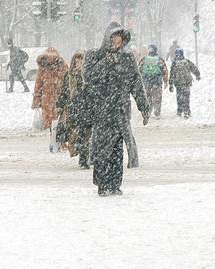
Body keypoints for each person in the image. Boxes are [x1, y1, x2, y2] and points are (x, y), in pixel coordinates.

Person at [83, 22, 150, 196]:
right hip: (102, 112)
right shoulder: (94, 56)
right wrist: (106, 61)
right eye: (113, 37)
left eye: (119, 38)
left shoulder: (127, 59)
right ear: (107, 38)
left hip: (120, 112)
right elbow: (89, 78)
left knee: (117, 152)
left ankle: (115, 184)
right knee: (102, 150)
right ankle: (102, 184)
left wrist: (143, 106)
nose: (117, 41)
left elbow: (136, 83)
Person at [56, 51, 92, 169]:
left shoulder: (89, 74)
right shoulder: (69, 75)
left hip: (87, 109)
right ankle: (78, 152)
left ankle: (84, 160)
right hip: (73, 110)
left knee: (85, 135)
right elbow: (64, 92)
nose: (79, 63)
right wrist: (60, 106)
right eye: (77, 60)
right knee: (74, 135)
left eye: (81, 60)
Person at [31, 48, 68, 151]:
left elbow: (68, 81)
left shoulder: (61, 67)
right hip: (49, 100)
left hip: (58, 99)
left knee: (61, 122)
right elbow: (38, 85)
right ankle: (55, 142)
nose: (50, 60)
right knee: (53, 123)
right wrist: (36, 101)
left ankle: (60, 141)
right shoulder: (43, 69)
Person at [169, 48, 201, 119]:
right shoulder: (187, 61)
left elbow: (172, 74)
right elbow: (194, 68)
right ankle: (187, 111)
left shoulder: (174, 63)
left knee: (179, 97)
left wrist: (170, 84)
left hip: (178, 84)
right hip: (186, 83)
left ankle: (179, 111)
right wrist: (197, 75)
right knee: (186, 97)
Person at [138, 44, 168, 117]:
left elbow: (139, 70)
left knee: (148, 97)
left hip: (146, 82)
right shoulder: (159, 60)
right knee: (157, 98)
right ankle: (157, 113)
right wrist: (165, 81)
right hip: (157, 82)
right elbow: (164, 71)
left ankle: (148, 111)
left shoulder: (144, 59)